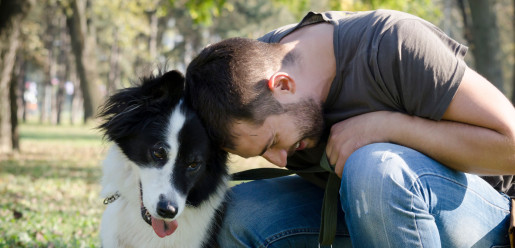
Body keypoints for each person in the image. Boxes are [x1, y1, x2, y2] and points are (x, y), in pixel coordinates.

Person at [185, 9, 515, 247]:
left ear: (283, 85)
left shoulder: (391, 43)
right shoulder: (234, 83)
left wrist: (389, 126)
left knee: (375, 170)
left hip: (488, 216)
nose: (281, 160)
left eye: (273, 141)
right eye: (263, 153)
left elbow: (511, 145)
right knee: (236, 214)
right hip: (364, 215)